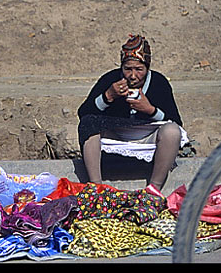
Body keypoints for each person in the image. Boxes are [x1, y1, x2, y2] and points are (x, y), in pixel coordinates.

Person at [77, 34, 184, 198]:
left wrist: (150, 110)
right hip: (116, 132)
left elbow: (176, 121)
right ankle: (96, 189)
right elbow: (84, 112)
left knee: (172, 131)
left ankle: (153, 190)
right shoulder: (110, 79)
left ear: (147, 68)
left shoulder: (159, 83)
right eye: (128, 69)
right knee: (88, 124)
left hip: (147, 134)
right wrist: (108, 96)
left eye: (139, 70)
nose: (133, 76)